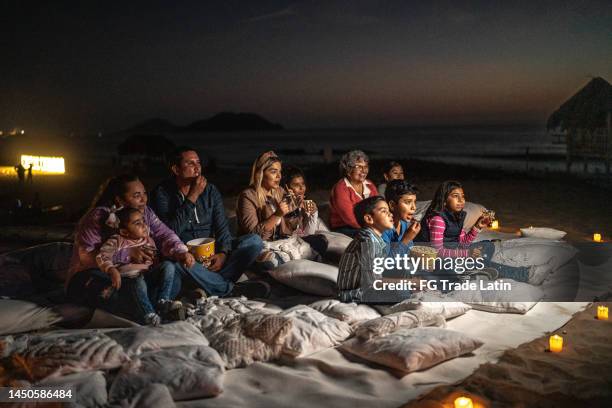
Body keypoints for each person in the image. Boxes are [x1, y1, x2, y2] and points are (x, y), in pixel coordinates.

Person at [66, 174, 198, 322]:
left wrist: (181, 252)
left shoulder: (144, 212)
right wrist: (127, 253)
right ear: (120, 200)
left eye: (144, 194)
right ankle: (147, 311)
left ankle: (155, 305)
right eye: (137, 195)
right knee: (118, 289)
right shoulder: (99, 216)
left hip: (138, 275)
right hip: (100, 274)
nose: (144, 199)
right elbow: (86, 256)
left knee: (173, 275)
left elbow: (164, 234)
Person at [149, 146, 269, 296]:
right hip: (185, 256)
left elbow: (222, 229)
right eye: (190, 163)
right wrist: (192, 196)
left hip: (211, 255)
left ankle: (207, 284)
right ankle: (228, 289)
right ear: (176, 169)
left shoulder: (210, 190)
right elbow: (169, 233)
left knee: (254, 241)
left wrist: (223, 253)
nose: (197, 167)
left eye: (198, 162)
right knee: (173, 262)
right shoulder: (162, 193)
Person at [417, 180, 551, 284]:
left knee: (487, 246)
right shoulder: (438, 219)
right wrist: (466, 254)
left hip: (450, 254)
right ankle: (526, 275)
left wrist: (476, 227)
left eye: (462, 196)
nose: (461, 200)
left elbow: (463, 243)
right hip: (431, 262)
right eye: (455, 196)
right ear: (444, 200)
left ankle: (475, 271)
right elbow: (437, 252)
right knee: (475, 259)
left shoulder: (457, 216)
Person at [96, 207, 186, 325]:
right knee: (138, 282)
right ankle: (149, 315)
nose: (144, 225)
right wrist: (111, 269)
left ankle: (163, 301)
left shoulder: (148, 240)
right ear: (124, 232)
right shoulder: (116, 240)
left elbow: (155, 260)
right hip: (129, 281)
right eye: (137, 223)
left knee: (168, 266)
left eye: (143, 221)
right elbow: (102, 256)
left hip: (148, 277)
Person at [337, 196, 411, 303]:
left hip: (369, 285)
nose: (391, 214)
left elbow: (382, 266)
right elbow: (374, 282)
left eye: (389, 211)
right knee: (401, 291)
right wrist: (408, 283)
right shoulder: (368, 241)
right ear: (369, 219)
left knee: (406, 269)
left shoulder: (376, 239)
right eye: (384, 211)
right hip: (357, 292)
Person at [329, 150, 378, 238]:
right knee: (369, 236)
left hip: (368, 225)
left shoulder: (370, 185)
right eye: (359, 167)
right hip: (344, 228)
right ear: (348, 170)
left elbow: (378, 207)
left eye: (366, 166)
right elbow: (350, 219)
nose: (364, 170)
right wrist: (374, 228)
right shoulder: (340, 188)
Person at [282, 166, 329, 235]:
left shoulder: (307, 204)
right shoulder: (284, 207)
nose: (301, 188)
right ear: (287, 188)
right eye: (296, 185)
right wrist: (313, 214)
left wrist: (313, 213)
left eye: (303, 184)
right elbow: (308, 235)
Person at [382, 179, 420, 255]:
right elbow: (386, 263)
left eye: (414, 202)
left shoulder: (403, 223)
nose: (414, 207)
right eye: (408, 202)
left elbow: (408, 251)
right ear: (392, 205)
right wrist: (406, 239)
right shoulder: (383, 229)